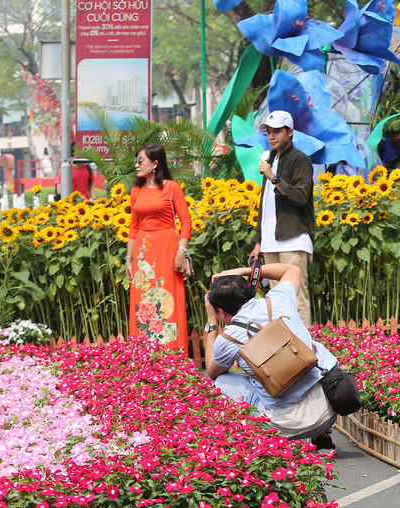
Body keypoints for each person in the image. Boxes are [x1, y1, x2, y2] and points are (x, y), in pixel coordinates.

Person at [204, 261, 338, 449]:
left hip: (282, 426)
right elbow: (292, 269)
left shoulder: (228, 338)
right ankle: (321, 436)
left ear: (221, 311)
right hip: (327, 410)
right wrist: (244, 270)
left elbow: (212, 370)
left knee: (222, 381)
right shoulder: (279, 299)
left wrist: (212, 322)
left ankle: (262, 443)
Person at [250, 110, 315, 327]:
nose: (271, 136)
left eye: (277, 131)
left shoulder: (300, 160)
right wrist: (258, 242)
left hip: (293, 239)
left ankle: (306, 350)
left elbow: (300, 197)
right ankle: (284, 353)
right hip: (270, 242)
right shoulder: (270, 159)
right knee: (276, 300)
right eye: (268, 132)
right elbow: (265, 205)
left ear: (290, 132)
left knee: (297, 297)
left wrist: (274, 177)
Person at [126, 143, 193, 352]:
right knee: (143, 299)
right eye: (136, 160)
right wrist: (128, 259)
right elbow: (134, 227)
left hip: (167, 249)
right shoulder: (136, 191)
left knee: (167, 297)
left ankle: (171, 353)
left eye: (141, 160)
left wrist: (181, 252)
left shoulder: (171, 188)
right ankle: (144, 354)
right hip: (143, 252)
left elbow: (186, 221)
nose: (136, 164)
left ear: (155, 163)